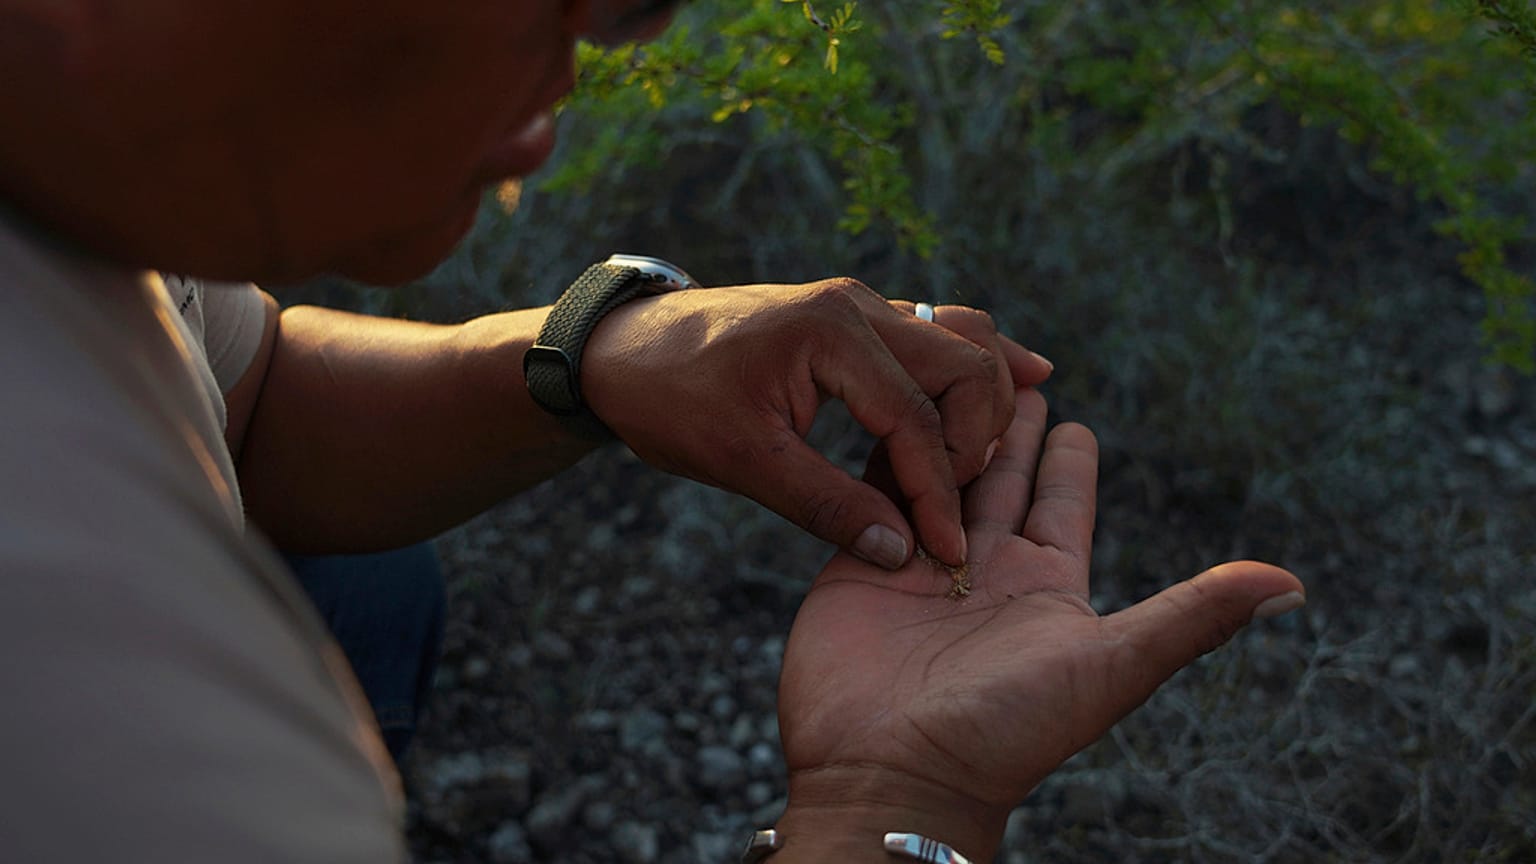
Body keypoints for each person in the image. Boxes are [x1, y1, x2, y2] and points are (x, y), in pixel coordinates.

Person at [0, 2, 1304, 863]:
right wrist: (896, 809)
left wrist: (597, 353)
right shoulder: (94, 679)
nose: (627, 28)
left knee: (374, 587)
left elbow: (249, 397)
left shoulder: (58, 175)